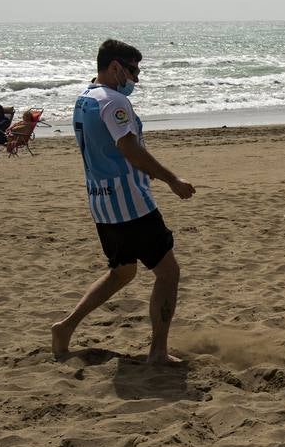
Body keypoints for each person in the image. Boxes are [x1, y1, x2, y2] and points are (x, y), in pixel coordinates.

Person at [51, 39, 196, 366]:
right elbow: (131, 149)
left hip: (101, 204)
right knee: (168, 273)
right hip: (130, 204)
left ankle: (65, 327)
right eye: (133, 71)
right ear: (115, 66)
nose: (136, 79)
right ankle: (158, 352)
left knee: (122, 272)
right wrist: (172, 179)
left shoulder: (84, 97)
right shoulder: (112, 101)